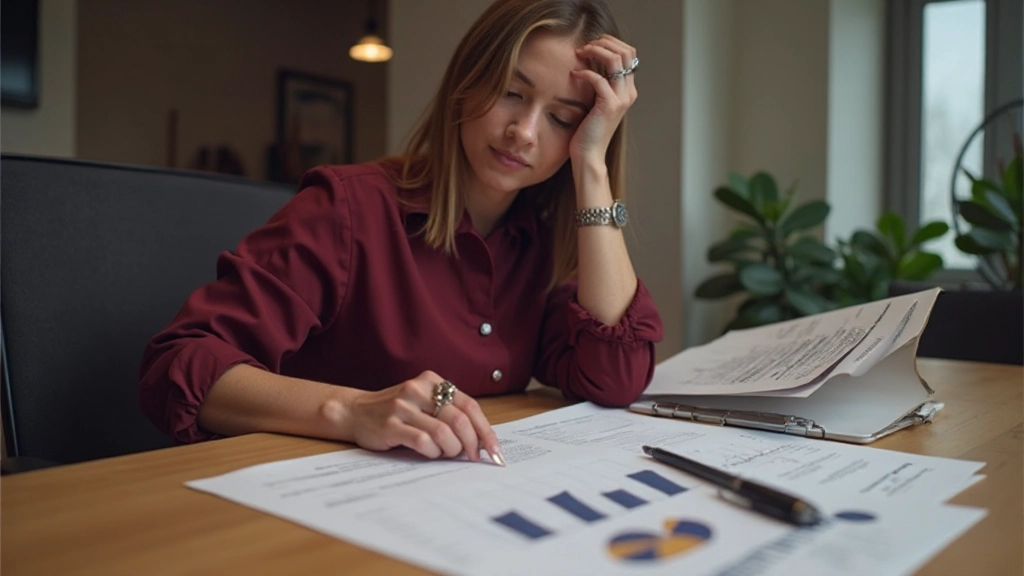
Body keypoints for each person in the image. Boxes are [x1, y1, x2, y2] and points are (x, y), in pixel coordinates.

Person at [139, 0, 663, 468]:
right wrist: (352, 409)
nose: (524, 132)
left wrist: (592, 165)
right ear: (467, 81)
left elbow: (613, 377)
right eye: (510, 92)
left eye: (561, 118)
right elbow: (179, 365)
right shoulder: (348, 208)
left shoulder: (541, 245)